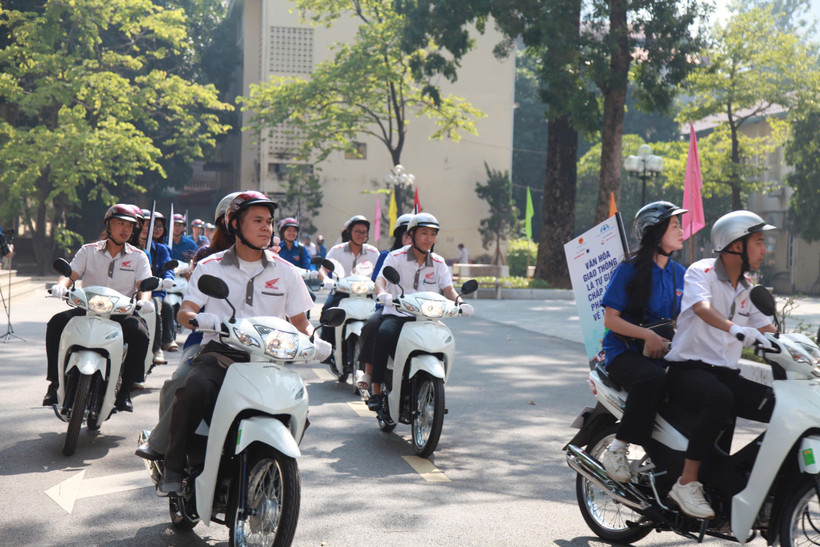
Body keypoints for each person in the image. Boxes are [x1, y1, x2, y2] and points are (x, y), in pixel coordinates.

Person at [156, 191, 331, 495]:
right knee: (192, 388)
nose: (267, 228)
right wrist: (199, 319)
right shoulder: (210, 265)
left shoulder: (286, 271)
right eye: (258, 221)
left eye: (270, 222)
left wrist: (318, 340)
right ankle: (172, 466)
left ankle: (273, 469)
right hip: (222, 355)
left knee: (298, 411)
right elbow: (186, 311)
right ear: (235, 224)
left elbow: (301, 322)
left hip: (270, 361)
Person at [663, 210, 776, 519]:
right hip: (688, 370)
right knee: (719, 398)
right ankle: (686, 483)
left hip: (725, 374)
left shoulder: (747, 288)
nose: (764, 250)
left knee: (778, 406)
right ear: (735, 245)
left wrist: (797, 350)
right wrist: (734, 328)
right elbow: (701, 307)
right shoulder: (701, 271)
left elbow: (768, 331)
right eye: (759, 242)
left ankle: (744, 482)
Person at [136, 191, 240, 462]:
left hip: (256, 346)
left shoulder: (274, 263)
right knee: (180, 382)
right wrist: (200, 318)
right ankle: (166, 447)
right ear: (226, 223)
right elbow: (191, 306)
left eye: (264, 221)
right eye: (241, 219)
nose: (259, 227)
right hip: (209, 340)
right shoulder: (208, 257)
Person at [598, 202, 686, 483]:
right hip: (623, 353)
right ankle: (617, 448)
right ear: (655, 232)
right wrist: (647, 335)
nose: (682, 231)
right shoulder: (629, 270)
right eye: (675, 226)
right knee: (652, 379)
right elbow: (611, 320)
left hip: (663, 353)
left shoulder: (679, 274)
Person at [43, 204, 153, 412]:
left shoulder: (139, 256)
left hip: (121, 314)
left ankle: (125, 392)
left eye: (130, 225)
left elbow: (144, 285)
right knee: (56, 322)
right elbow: (70, 275)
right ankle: (55, 383)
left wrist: (145, 300)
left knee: (140, 333)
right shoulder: (88, 250)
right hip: (88, 310)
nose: (126, 229)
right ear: (108, 225)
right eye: (120, 223)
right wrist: (60, 286)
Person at [367, 213, 474, 425]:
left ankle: (434, 388)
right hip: (398, 314)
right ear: (412, 234)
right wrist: (382, 293)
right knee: (384, 333)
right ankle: (377, 390)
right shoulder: (395, 257)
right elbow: (380, 280)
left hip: (428, 319)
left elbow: (448, 288)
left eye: (433, 234)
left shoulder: (438, 262)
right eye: (424, 233)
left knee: (444, 341)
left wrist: (461, 303)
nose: (428, 238)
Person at [355, 213, 413, 392]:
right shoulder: (388, 256)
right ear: (399, 236)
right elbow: (377, 280)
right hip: (390, 308)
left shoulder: (430, 260)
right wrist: (384, 294)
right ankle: (369, 372)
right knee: (371, 325)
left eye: (416, 235)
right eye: (408, 235)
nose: (412, 239)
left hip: (417, 312)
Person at [317, 215, 380, 353]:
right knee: (327, 311)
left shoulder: (373, 252)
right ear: (349, 232)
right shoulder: (337, 250)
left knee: (378, 319)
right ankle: (327, 349)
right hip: (341, 293)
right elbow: (323, 269)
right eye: (357, 231)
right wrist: (326, 279)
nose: (360, 235)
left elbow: (381, 275)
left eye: (364, 232)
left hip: (365, 295)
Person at [138, 210, 176, 360]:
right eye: (144, 225)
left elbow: (168, 270)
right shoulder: (129, 248)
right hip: (130, 292)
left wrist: (167, 280)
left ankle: (157, 347)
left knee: (156, 307)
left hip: (154, 290)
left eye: (151, 225)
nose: (148, 228)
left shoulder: (161, 249)